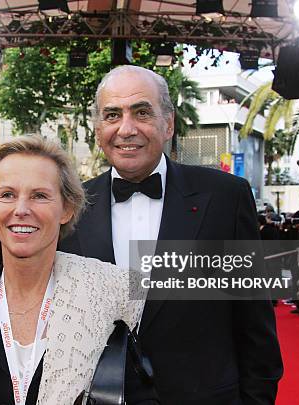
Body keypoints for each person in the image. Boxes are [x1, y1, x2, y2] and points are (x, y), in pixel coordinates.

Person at [59, 65, 283, 404]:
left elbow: (254, 324)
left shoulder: (225, 197)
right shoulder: (71, 208)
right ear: (97, 128)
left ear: (169, 124)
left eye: (142, 112)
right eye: (112, 115)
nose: (126, 128)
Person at [0, 137, 154, 405]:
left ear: (67, 208)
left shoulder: (108, 294)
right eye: (8, 195)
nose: (22, 210)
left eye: (39, 196)